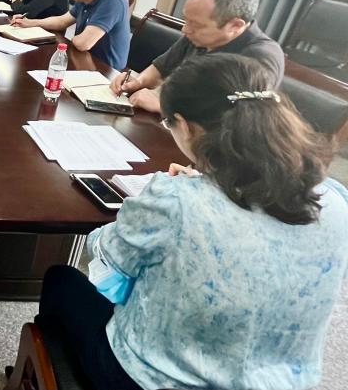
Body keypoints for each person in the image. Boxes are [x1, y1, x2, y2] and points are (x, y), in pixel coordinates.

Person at [31, 54, 347, 390]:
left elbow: (105, 252)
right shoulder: (336, 199)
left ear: (185, 125)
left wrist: (157, 203)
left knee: (62, 279)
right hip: (280, 382)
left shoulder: (177, 200)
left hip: (151, 379)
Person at [109, 0, 285, 113]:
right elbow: (161, 67)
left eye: (196, 24)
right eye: (186, 20)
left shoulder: (261, 57)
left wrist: (166, 106)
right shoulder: (196, 36)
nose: (185, 29)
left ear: (235, 25)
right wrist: (138, 81)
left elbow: (238, 116)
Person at [13, 0, 130, 70]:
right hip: (83, 59)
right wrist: (30, 22)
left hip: (106, 71)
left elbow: (83, 43)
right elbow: (62, 21)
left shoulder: (114, 1)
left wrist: (73, 39)